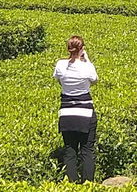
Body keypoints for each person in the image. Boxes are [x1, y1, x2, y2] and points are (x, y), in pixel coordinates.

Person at [53, 35, 98, 183]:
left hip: (66, 113)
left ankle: (72, 184)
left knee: (70, 150)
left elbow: (59, 80)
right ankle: (88, 185)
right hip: (85, 113)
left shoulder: (60, 65)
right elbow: (95, 81)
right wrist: (87, 60)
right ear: (82, 49)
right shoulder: (87, 67)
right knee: (87, 151)